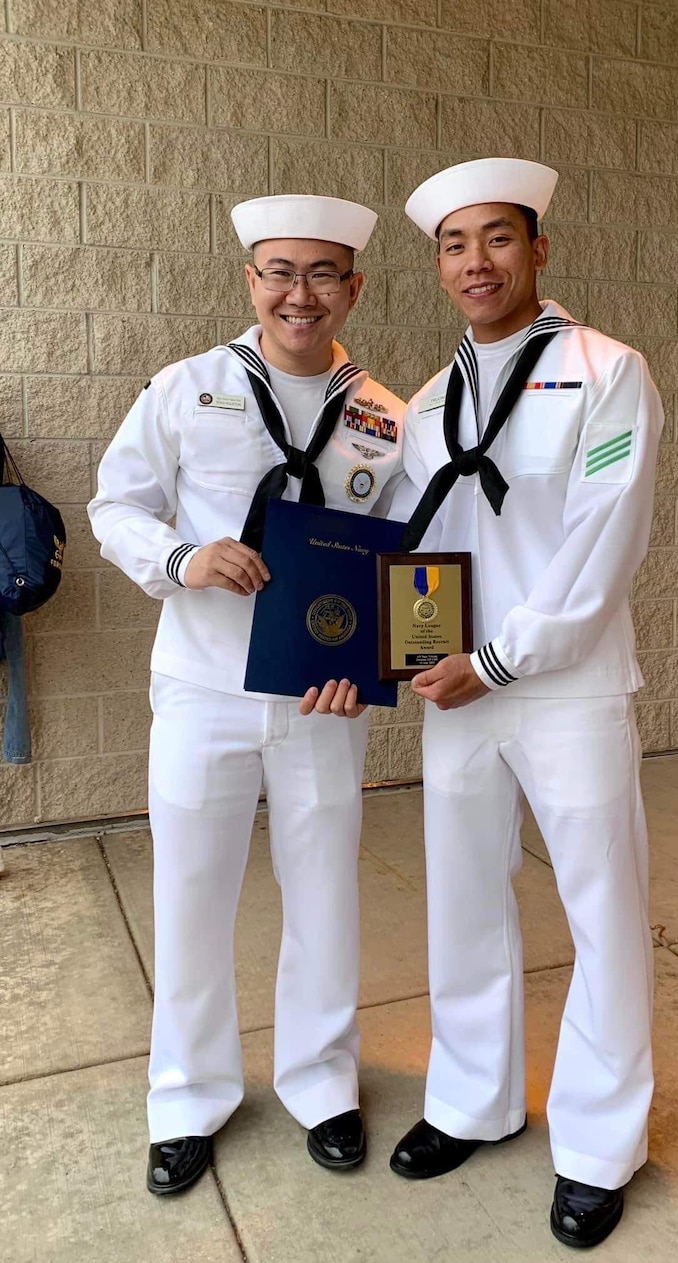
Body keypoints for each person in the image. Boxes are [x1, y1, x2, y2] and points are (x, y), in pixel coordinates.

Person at [88, 194, 406, 1195]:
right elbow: (114, 502)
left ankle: (321, 1083)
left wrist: (376, 663)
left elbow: (405, 559)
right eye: (279, 270)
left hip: (319, 699)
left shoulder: (384, 416)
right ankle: (187, 1095)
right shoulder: (189, 387)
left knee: (325, 893)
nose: (298, 293)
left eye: (321, 273)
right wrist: (182, 553)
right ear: (250, 280)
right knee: (190, 893)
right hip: (200, 686)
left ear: (352, 287)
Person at [387, 159, 663, 1248]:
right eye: (454, 245)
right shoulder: (421, 403)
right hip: (452, 691)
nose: (474, 262)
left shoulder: (606, 371)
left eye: (496, 239)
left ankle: (599, 1145)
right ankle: (471, 1099)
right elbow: (408, 551)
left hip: (565, 689)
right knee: (461, 897)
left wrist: (500, 657)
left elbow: (605, 540)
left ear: (537, 248)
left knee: (601, 907)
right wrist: (395, 655)